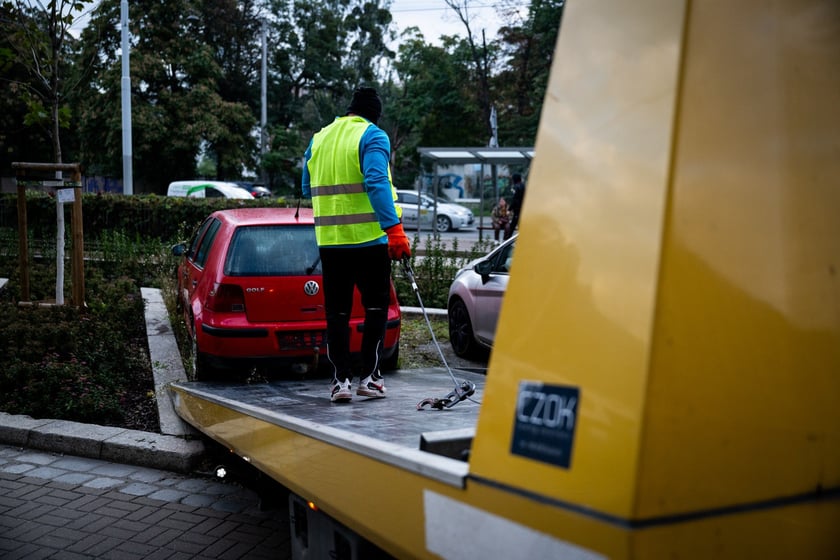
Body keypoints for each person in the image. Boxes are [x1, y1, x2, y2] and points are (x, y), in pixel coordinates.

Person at [301, 86, 411, 403]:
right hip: (369, 242)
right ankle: (370, 378)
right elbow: (376, 181)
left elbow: (307, 186)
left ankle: (340, 382)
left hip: (331, 243)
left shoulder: (319, 138)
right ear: (373, 115)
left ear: (350, 109)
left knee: (336, 315)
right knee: (376, 309)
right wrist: (395, 230)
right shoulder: (373, 136)